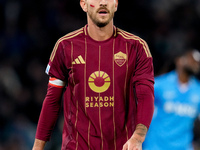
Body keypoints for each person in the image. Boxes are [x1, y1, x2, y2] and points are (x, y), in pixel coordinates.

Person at [32, 0, 154, 149]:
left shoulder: (137, 47)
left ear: (115, 5)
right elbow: (52, 100)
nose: (103, 2)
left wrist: (138, 137)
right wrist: (37, 147)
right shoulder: (65, 46)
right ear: (83, 5)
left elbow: (145, 96)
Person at [143, 47, 200, 150]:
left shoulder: (198, 91)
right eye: (191, 58)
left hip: (183, 147)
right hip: (156, 146)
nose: (195, 62)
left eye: (197, 61)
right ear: (179, 61)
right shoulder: (160, 85)